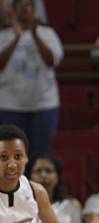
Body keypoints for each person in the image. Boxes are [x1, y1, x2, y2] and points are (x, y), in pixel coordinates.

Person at [0, 0, 63, 155]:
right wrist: (16, 39)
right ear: (14, 9)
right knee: (12, 154)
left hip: (44, 104)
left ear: (34, 10)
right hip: (10, 104)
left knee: (42, 153)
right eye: (21, 6)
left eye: (28, 6)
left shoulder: (47, 33)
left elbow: (51, 61)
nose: (24, 9)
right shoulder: (3, 35)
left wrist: (35, 35)